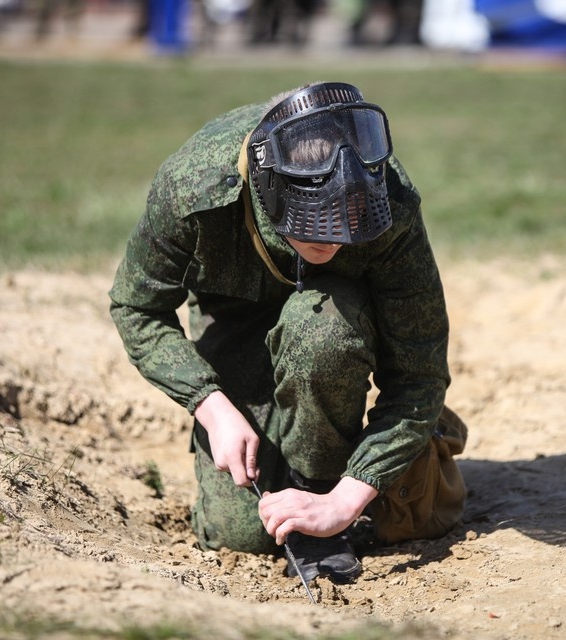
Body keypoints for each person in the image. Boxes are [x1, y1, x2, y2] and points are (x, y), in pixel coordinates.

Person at [109, 82, 464, 584]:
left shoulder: (388, 199)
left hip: (337, 323)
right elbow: (135, 306)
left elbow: (421, 375)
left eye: (349, 224)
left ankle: (322, 483)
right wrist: (212, 407)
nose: (334, 239)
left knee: (322, 331)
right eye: (315, 226)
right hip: (235, 316)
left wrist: (341, 501)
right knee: (244, 534)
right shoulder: (193, 187)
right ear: (268, 192)